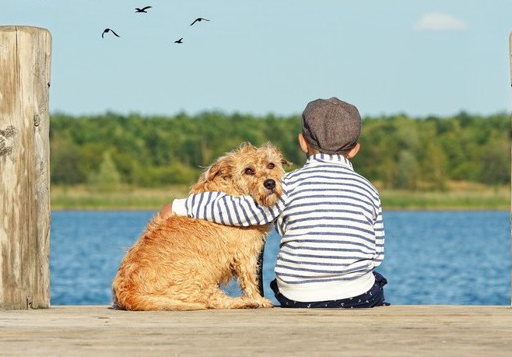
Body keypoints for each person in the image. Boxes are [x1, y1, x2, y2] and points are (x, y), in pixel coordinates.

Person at [165, 97, 387, 308]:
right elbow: (376, 253)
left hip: (297, 296)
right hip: (358, 296)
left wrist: (181, 206)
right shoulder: (369, 189)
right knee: (377, 279)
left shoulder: (287, 185)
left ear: (302, 142)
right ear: (355, 148)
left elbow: (237, 211)